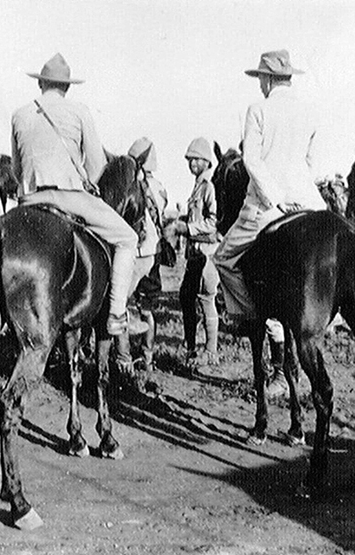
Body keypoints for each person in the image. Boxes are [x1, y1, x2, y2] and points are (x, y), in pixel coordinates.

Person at [11, 53, 139, 335]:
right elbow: (97, 166)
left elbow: (15, 169)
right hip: (69, 195)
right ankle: (117, 316)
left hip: (29, 199)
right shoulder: (79, 111)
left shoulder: (19, 114)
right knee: (128, 239)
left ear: (40, 84)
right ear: (66, 87)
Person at [214, 49, 325, 328]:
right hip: (310, 203)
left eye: (260, 79)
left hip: (268, 207)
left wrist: (277, 199)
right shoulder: (309, 111)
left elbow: (251, 160)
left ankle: (251, 314)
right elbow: (312, 161)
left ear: (267, 78)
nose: (260, 85)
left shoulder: (258, 109)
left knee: (223, 258)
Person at [116, 137, 167, 372]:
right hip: (152, 252)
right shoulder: (159, 188)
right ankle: (148, 359)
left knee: (120, 304)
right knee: (147, 309)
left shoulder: (130, 183)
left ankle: (124, 359)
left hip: (135, 252)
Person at [168, 138, 220, 366]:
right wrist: (180, 221)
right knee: (186, 297)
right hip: (194, 254)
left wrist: (187, 228)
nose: (191, 164)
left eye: (196, 159)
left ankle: (211, 351)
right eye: (189, 159)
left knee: (206, 299)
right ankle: (191, 349)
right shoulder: (198, 186)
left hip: (208, 253)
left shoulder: (210, 186)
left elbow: (214, 223)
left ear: (206, 161)